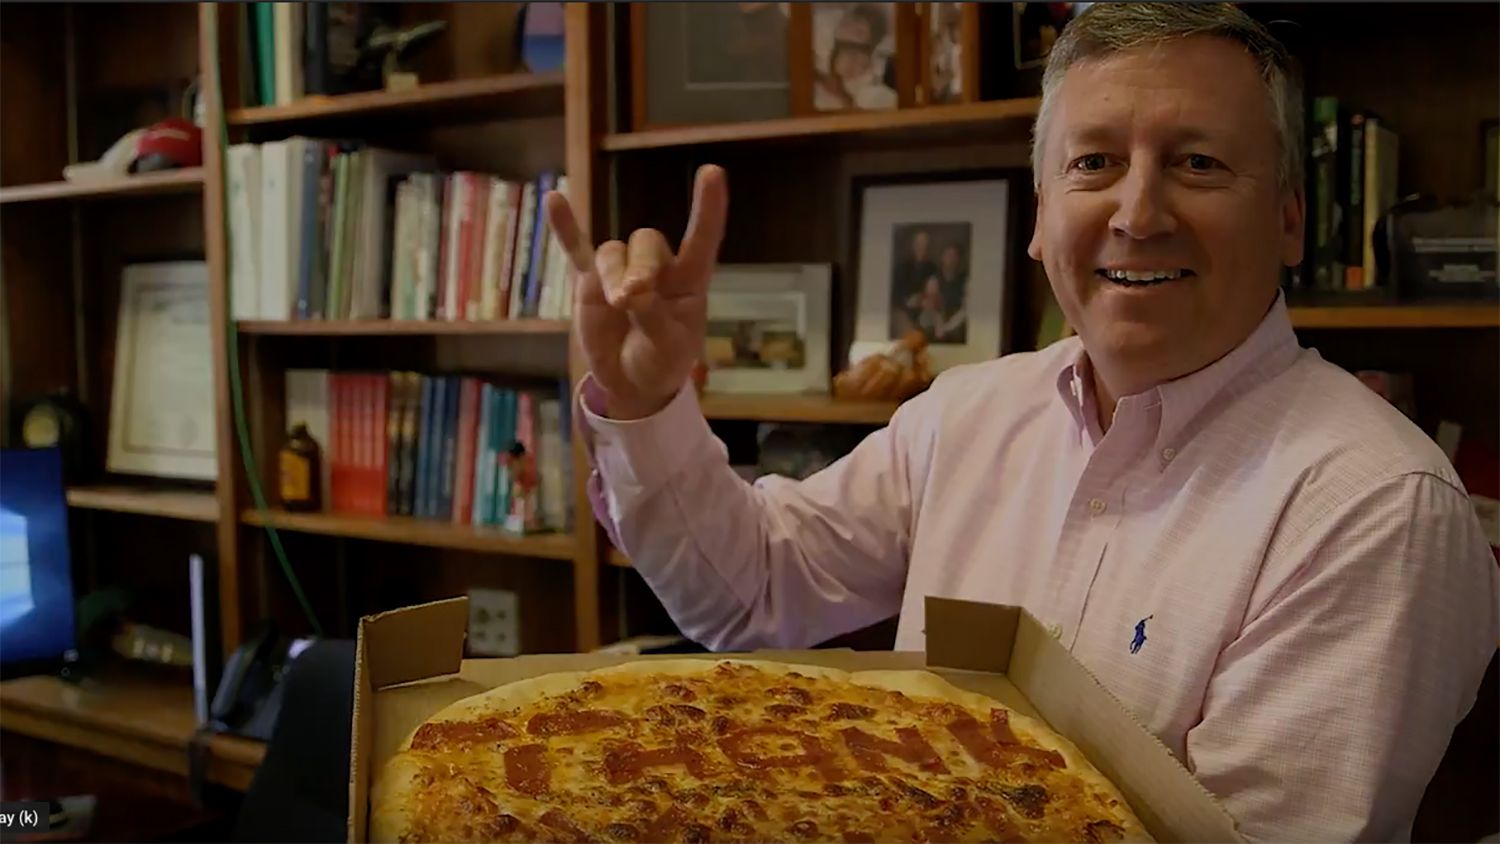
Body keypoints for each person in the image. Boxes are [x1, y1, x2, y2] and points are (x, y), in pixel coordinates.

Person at [543, 3, 1499, 839]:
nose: (1137, 211)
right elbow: (751, 588)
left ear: (1290, 220)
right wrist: (646, 402)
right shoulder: (968, 410)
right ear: (1041, 216)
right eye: (1095, 163)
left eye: (1197, 163)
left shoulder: (1376, 507)